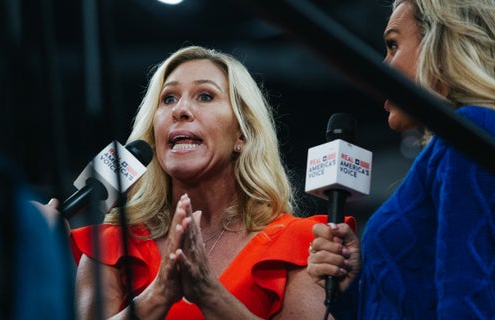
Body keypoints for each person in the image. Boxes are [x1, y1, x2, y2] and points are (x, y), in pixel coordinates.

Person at [68, 45, 355, 319]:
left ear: (242, 135)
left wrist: (208, 293)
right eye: (168, 98)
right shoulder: (110, 244)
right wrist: (158, 295)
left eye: (205, 96)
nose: (180, 110)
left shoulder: (303, 243)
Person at [306, 0, 495, 319]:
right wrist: (353, 286)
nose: (383, 65)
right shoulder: (453, 144)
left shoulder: (473, 129)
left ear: (441, 44)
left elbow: (470, 299)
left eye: (393, 45)